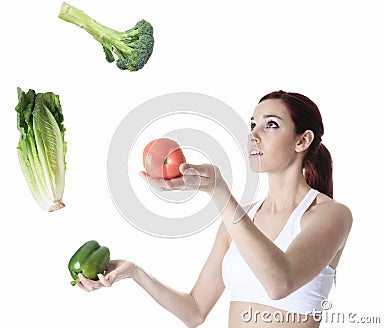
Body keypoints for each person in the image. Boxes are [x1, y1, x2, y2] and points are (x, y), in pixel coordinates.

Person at [78, 91, 353, 327]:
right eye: (252, 124)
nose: (253, 135)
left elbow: (280, 283)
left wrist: (219, 192)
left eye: (270, 125)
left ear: (302, 141)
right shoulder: (238, 220)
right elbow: (195, 311)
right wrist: (134, 272)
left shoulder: (331, 214)